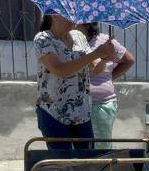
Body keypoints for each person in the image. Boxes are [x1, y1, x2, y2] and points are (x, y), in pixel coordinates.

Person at [33, 15, 114, 150]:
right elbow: (60, 70)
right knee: (63, 163)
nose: (74, 17)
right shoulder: (43, 39)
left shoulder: (78, 36)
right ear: (54, 15)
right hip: (53, 111)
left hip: (81, 111)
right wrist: (95, 54)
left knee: (86, 162)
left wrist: (104, 58)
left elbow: (95, 69)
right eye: (68, 13)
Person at [77, 23, 136, 149]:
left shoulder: (104, 41)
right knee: (82, 147)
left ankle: (102, 168)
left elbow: (128, 60)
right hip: (78, 104)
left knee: (101, 146)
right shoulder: (71, 41)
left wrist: (110, 77)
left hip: (101, 103)